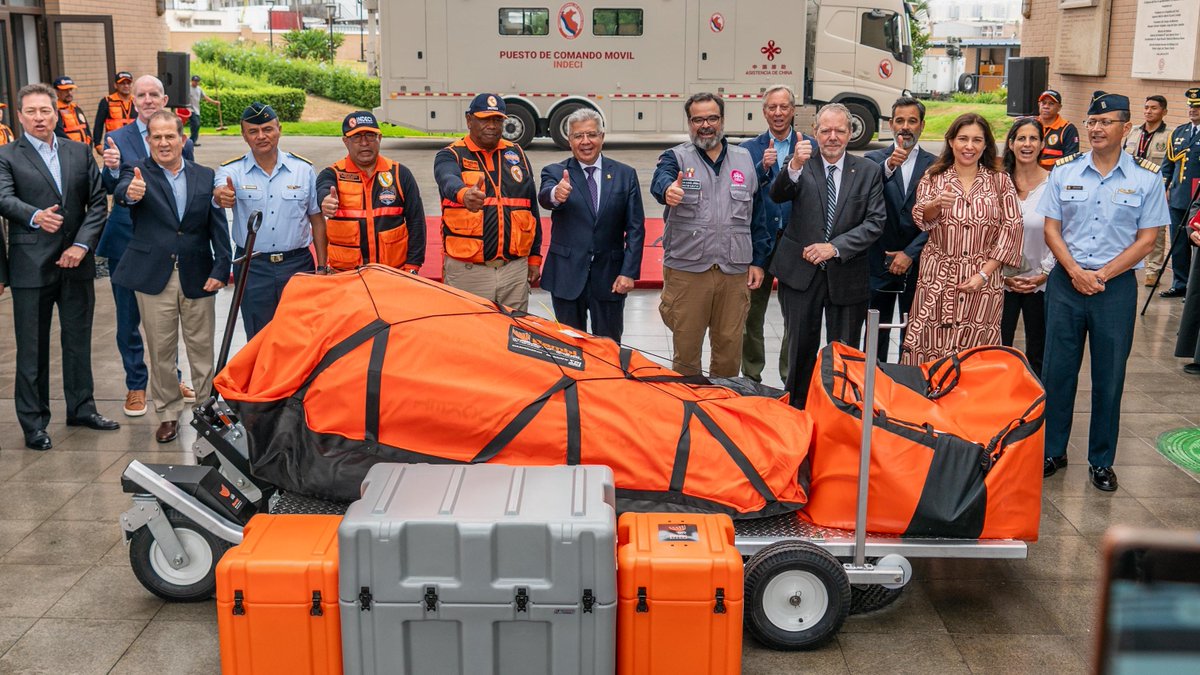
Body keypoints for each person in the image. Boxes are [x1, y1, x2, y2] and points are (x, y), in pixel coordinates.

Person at [1039, 91, 1169, 492]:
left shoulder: (1146, 178)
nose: (1096, 128)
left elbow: (1147, 240)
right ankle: (1052, 450)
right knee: (1057, 373)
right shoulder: (1065, 171)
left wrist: (1102, 275)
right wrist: (1076, 272)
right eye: (1092, 122)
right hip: (1066, 283)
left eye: (1106, 122)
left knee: (1109, 378)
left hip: (1113, 290)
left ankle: (1101, 460)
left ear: (1125, 129)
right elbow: (1051, 229)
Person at [0, 82, 119, 451]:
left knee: (78, 341)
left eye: (45, 111)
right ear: (20, 116)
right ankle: (34, 423)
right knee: (32, 349)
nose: (39, 118)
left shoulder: (80, 152)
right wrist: (34, 216)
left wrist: (82, 245)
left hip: (76, 263)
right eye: (31, 112)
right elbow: (2, 197)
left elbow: (98, 202)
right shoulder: (7, 155)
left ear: (56, 113)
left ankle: (82, 408)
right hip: (30, 265)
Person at [113, 111, 231, 444]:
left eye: (170, 136)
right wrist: (130, 192)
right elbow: (124, 191)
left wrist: (222, 268)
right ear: (148, 140)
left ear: (183, 139)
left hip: (198, 275)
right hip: (154, 278)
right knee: (161, 351)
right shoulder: (136, 172)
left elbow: (216, 226)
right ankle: (167, 414)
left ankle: (208, 412)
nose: (164, 142)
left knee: (202, 349)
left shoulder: (205, 175)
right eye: (157, 137)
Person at [768, 102, 885, 406]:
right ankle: (796, 412)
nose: (832, 136)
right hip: (800, 275)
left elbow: (875, 223)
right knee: (800, 351)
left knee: (845, 355)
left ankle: (840, 412)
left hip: (847, 276)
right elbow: (777, 194)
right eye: (826, 130)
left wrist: (834, 248)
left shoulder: (868, 170)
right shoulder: (801, 163)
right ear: (815, 133)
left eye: (840, 130)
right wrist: (792, 165)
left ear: (850, 133)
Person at [99, 74, 197, 416]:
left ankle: (171, 381)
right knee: (129, 320)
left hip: (167, 243)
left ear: (164, 98)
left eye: (154, 93)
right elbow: (110, 186)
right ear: (133, 101)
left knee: (166, 320)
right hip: (126, 241)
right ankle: (136, 386)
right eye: (141, 95)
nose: (148, 99)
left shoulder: (179, 136)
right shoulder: (117, 138)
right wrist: (110, 171)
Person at [651, 93, 768, 377]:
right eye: (698, 119)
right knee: (686, 353)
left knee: (729, 351)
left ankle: (721, 413)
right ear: (690, 123)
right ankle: (689, 412)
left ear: (722, 120)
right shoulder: (676, 157)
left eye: (712, 118)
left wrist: (759, 261)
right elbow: (660, 180)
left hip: (733, 271)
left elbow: (758, 215)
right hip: (688, 271)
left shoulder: (745, 159)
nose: (706, 125)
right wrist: (669, 189)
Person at [905, 113, 1024, 365]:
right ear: (951, 142)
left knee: (977, 353)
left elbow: (1012, 226)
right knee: (931, 345)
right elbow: (920, 217)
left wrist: (984, 274)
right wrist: (936, 204)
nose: (969, 146)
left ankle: (972, 403)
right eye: (963, 139)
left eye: (977, 140)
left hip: (984, 280)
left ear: (985, 145)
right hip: (938, 276)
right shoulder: (934, 177)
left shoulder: (1000, 180)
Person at [213, 102, 325, 340]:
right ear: (244, 135)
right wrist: (221, 195)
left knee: (300, 337)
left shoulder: (303, 169)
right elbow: (220, 191)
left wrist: (323, 267)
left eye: (267, 129)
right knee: (258, 338)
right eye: (253, 131)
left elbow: (316, 219)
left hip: (296, 266)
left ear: (279, 129)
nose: (261, 136)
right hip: (253, 267)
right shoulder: (231, 171)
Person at [537, 108, 645, 341]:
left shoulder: (625, 174)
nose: (586, 142)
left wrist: (628, 272)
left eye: (592, 135)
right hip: (567, 276)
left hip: (610, 278)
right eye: (578, 136)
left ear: (602, 137)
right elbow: (546, 196)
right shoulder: (556, 171)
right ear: (569, 141)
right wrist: (557, 193)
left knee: (609, 348)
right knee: (569, 347)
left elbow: (635, 228)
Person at [434, 93, 542, 311]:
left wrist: (534, 259)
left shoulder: (517, 153)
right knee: (468, 337)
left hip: (514, 271)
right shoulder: (451, 154)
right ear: (469, 120)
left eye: (497, 120)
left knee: (514, 337)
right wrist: (463, 194)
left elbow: (531, 209)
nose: (491, 126)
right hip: (469, 272)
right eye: (484, 119)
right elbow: (447, 179)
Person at [739, 85, 817, 382]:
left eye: (784, 107)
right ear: (764, 112)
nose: (778, 113)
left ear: (793, 110)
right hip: (760, 242)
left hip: (797, 243)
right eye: (772, 107)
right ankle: (751, 376)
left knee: (794, 317)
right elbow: (741, 192)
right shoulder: (749, 149)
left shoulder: (810, 146)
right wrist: (761, 168)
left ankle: (790, 377)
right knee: (750, 315)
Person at [864, 96, 935, 361]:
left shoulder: (936, 165)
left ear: (922, 126)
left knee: (913, 333)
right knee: (874, 335)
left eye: (912, 121)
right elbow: (865, 202)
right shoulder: (873, 160)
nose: (906, 127)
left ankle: (906, 386)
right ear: (891, 125)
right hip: (878, 261)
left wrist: (910, 253)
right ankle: (873, 386)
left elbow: (941, 219)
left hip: (918, 263)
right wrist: (889, 167)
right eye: (900, 121)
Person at [317, 110, 425, 272]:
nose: (364, 143)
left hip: (392, 273)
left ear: (379, 138)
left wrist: (413, 265)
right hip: (346, 275)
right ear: (345, 141)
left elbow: (416, 222)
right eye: (357, 137)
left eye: (370, 136)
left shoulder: (399, 173)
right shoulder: (332, 173)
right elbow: (324, 188)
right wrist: (325, 200)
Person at [1000, 117, 1055, 378]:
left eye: (1033, 138)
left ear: (1042, 144)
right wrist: (1003, 276)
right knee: (998, 350)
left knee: (1040, 352)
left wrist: (1044, 273)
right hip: (1000, 283)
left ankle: (1035, 411)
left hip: (1041, 283)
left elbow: (1061, 233)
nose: (1027, 144)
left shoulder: (1053, 184)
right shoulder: (996, 183)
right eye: (1021, 138)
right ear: (1011, 143)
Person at [1123, 95, 1171, 286]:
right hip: (1130, 186)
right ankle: (1129, 263)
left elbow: (1170, 165)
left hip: (1155, 187)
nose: (1149, 111)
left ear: (1164, 112)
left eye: (1154, 108)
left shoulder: (1170, 135)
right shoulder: (1133, 132)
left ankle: (1153, 270)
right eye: (1146, 108)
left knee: (1156, 230)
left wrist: (1166, 189)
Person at [1159, 88, 1200, 298]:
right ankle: (1180, 283)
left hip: (1198, 201)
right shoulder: (1178, 133)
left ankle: (1195, 289)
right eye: (1191, 106)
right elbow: (1167, 166)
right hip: (1178, 196)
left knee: (1196, 244)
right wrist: (1164, 188)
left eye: (1198, 106)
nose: (1193, 110)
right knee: (1178, 243)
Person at [1036, 89, 1079, 170]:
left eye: (1051, 104)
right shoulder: (1031, 125)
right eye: (1043, 103)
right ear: (1039, 104)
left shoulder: (1068, 129)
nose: (1046, 106)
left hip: (1055, 175)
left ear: (1059, 107)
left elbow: (1071, 160)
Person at [92, 71, 135, 152]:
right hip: (114, 144)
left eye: (128, 83)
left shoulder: (137, 101)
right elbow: (98, 124)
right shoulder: (107, 101)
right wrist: (97, 144)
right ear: (115, 85)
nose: (126, 86)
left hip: (134, 144)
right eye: (122, 83)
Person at [51, 76, 92, 146]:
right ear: (56, 92)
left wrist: (88, 148)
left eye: (70, 89)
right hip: (69, 152)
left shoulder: (76, 108)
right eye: (65, 90)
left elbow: (87, 130)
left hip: (84, 150)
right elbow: (59, 134)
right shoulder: (55, 110)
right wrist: (75, 149)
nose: (69, 93)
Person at [186, 75, 219, 146]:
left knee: (196, 126)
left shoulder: (199, 89)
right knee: (196, 124)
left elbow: (205, 97)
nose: (196, 83)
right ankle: (191, 141)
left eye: (197, 81)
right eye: (194, 81)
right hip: (190, 109)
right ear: (191, 81)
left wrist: (214, 102)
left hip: (197, 110)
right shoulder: (187, 88)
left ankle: (192, 141)